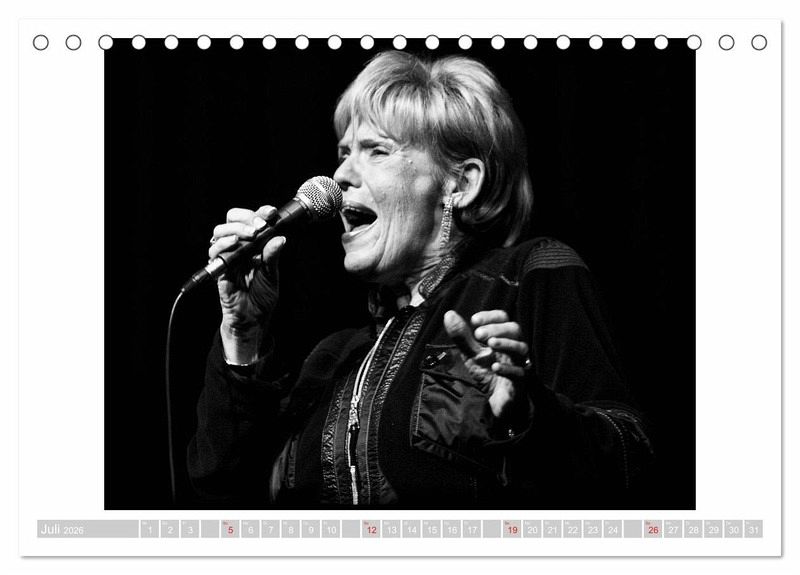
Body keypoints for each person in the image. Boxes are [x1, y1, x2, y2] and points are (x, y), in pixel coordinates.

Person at [188, 50, 653, 509]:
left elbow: (632, 463)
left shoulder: (529, 276)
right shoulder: (331, 358)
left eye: (377, 150)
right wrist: (242, 333)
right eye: (344, 153)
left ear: (461, 184)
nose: (340, 175)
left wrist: (533, 416)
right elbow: (220, 492)